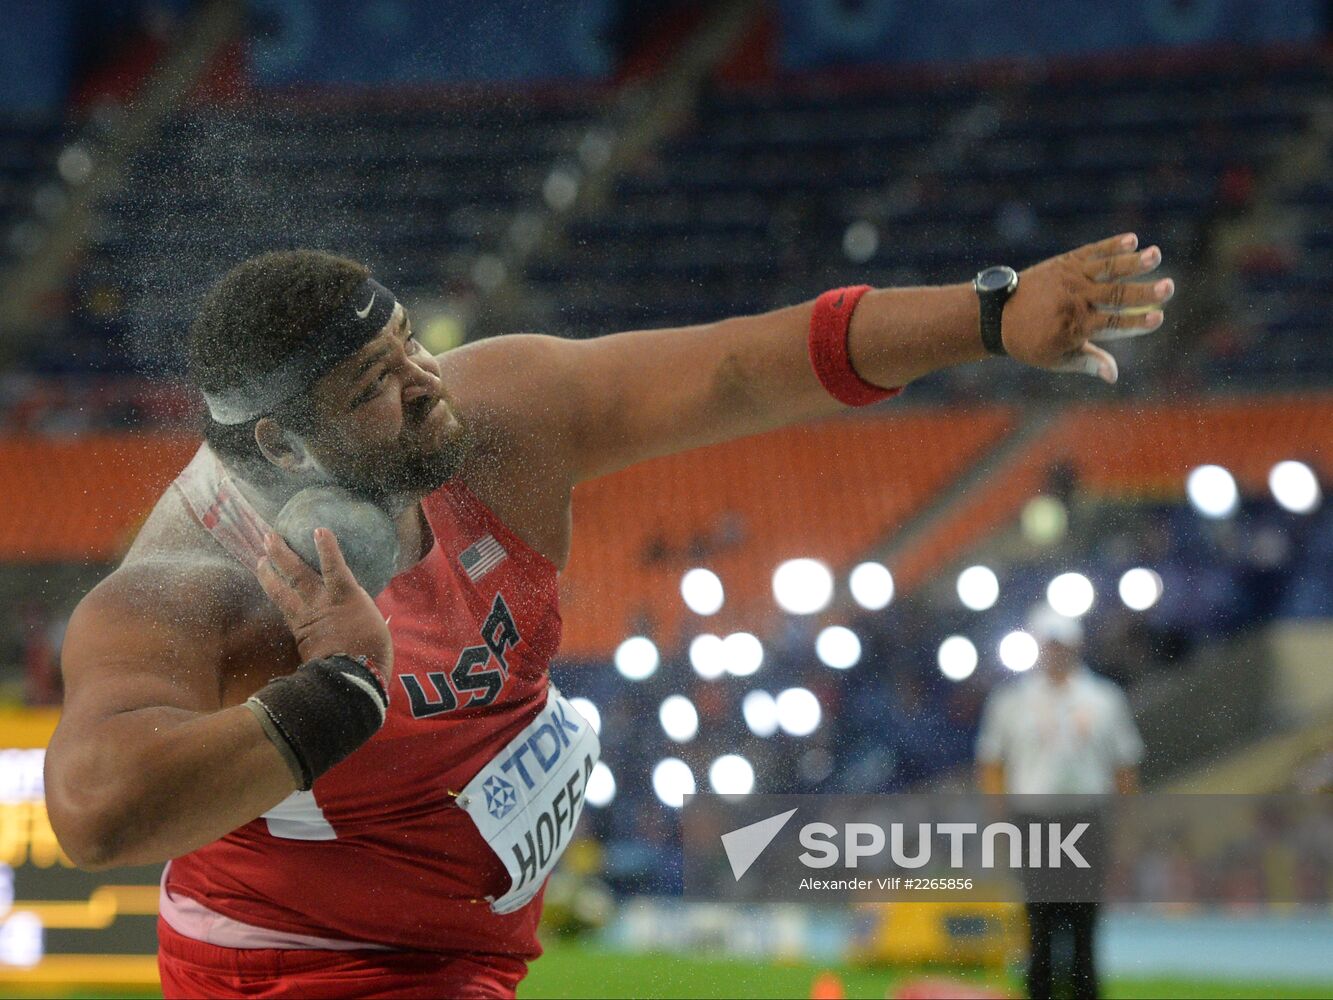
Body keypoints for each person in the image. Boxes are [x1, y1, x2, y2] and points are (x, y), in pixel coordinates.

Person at [44, 236, 1171, 998]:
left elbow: (738, 369)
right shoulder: (194, 585)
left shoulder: (498, 421)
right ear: (283, 449)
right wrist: (329, 689)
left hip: (469, 954)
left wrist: (987, 317)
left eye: (409, 347)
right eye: (371, 388)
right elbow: (96, 812)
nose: (424, 382)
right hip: (297, 965)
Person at [976, 604, 1145, 1000]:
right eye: (1049, 645)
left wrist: (1125, 832)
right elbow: (993, 767)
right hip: (1033, 822)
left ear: (1076, 646)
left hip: (1087, 822)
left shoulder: (1104, 699)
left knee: (1085, 927)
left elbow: (1124, 770)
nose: (1055, 653)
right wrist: (998, 824)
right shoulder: (1011, 702)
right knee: (1039, 926)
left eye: (1061, 645)